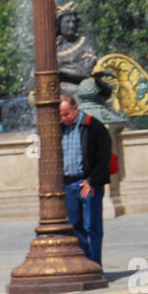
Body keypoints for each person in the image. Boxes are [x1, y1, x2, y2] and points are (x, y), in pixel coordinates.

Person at [58, 93, 112, 266]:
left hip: (87, 183)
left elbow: (104, 156)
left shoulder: (92, 126)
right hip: (68, 184)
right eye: (60, 114)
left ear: (75, 109)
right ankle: (84, 263)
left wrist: (93, 181)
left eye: (66, 114)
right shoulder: (59, 128)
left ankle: (95, 264)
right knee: (74, 226)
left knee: (92, 227)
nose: (63, 118)